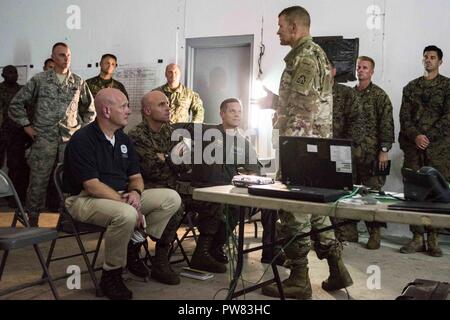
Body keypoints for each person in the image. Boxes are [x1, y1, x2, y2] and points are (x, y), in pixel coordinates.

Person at [262, 6, 353, 300]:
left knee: (294, 211)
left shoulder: (305, 57)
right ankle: (337, 268)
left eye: (280, 26)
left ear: (295, 27)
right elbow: (305, 104)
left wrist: (292, 160)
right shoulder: (312, 55)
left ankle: (299, 280)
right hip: (312, 149)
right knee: (315, 213)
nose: (277, 31)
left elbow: (303, 112)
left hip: (301, 150)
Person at [63, 88, 181, 300]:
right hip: (84, 199)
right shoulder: (83, 139)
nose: (129, 110)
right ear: (107, 111)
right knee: (125, 214)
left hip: (121, 196)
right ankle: (111, 275)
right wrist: (127, 204)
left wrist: (135, 192)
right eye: (124, 106)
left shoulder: (123, 139)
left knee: (172, 198)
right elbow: (91, 186)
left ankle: (134, 242)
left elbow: (136, 176)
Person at [8, 42, 96, 226]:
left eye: (68, 55)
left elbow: (90, 111)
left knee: (68, 182)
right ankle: (32, 219)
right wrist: (27, 126)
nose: (66, 59)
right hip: (43, 139)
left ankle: (67, 219)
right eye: (62, 55)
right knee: (38, 182)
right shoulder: (40, 80)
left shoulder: (78, 82)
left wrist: (80, 132)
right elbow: (16, 104)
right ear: (53, 57)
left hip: (69, 142)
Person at [398, 45, 449, 257]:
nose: (428, 60)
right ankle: (417, 237)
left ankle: (434, 239)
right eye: (426, 57)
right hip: (413, 148)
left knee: (436, 193)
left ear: (440, 62)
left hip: (439, 149)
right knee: (414, 193)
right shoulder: (411, 87)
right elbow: (404, 117)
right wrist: (416, 136)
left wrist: (428, 138)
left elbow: (448, 117)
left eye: (433, 57)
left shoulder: (447, 87)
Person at [352, 56, 395, 249]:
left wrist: (384, 150)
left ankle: (374, 233)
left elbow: (386, 124)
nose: (361, 70)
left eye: (365, 68)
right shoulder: (350, 95)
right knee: (349, 194)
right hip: (352, 155)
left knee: (372, 196)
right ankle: (348, 230)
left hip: (372, 155)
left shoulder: (379, 95)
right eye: (359, 67)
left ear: (372, 72)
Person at [329, 60, 366, 242]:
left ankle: (344, 232)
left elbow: (357, 123)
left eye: (326, 69)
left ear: (334, 71)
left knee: (342, 195)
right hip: (317, 155)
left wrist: (344, 148)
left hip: (341, 152)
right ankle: (322, 234)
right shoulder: (311, 94)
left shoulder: (346, 93)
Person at [0, 65, 32, 204]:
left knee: (17, 166)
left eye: (15, 72)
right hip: (1, 133)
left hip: (17, 134)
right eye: (10, 73)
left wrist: (28, 132)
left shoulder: (22, 90)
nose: (13, 75)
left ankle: (16, 198)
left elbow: (29, 111)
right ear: (3, 75)